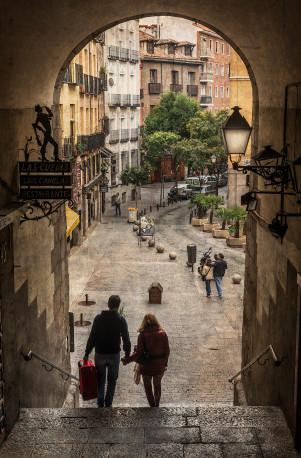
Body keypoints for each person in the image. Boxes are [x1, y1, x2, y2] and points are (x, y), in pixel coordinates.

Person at [83, 295, 131, 408]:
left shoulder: (98, 318)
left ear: (108, 304)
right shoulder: (120, 320)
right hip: (114, 354)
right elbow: (126, 339)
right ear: (118, 306)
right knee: (112, 381)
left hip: (100, 354)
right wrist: (127, 354)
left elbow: (92, 337)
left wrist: (87, 352)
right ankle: (108, 404)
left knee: (100, 379)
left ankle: (100, 403)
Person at [122, 314, 169, 407]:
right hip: (159, 365)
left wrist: (127, 360)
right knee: (157, 385)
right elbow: (167, 351)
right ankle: (157, 406)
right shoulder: (163, 334)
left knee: (148, 387)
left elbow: (138, 353)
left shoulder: (142, 335)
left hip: (146, 366)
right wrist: (165, 364)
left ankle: (152, 406)